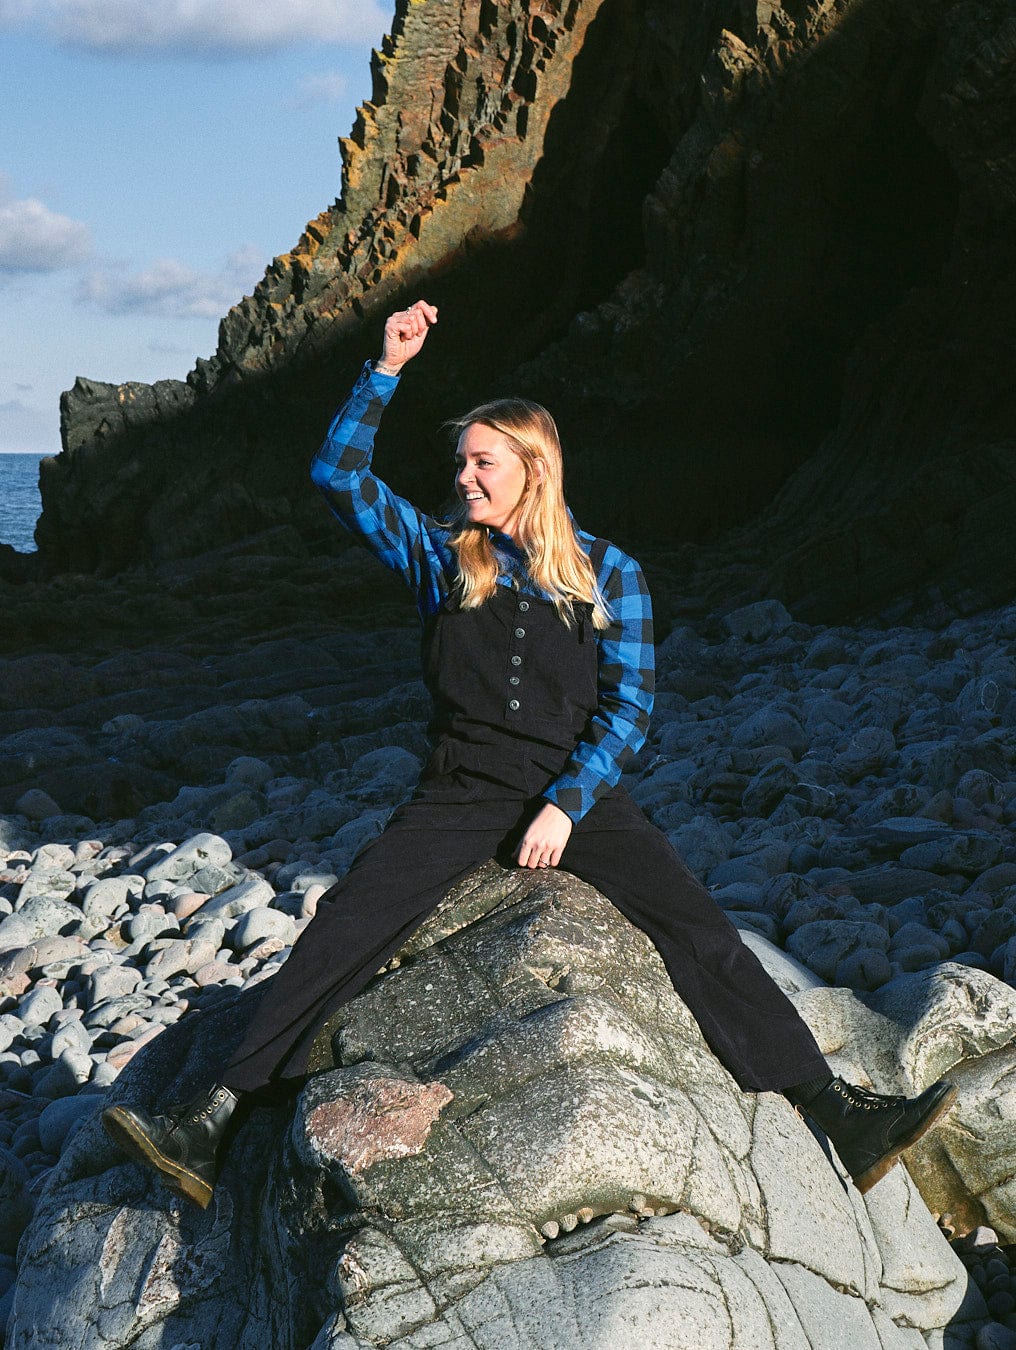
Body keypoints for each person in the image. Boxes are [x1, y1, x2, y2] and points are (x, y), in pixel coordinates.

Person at [103, 300, 956, 1209]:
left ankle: (838, 1115)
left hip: (570, 792)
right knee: (351, 921)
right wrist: (386, 368)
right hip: (458, 788)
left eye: (482, 462)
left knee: (697, 927)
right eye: (461, 462)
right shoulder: (441, 558)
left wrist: (567, 802)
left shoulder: (609, 572)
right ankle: (216, 1118)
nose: (464, 477)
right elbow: (338, 474)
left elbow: (630, 709)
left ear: (532, 470)